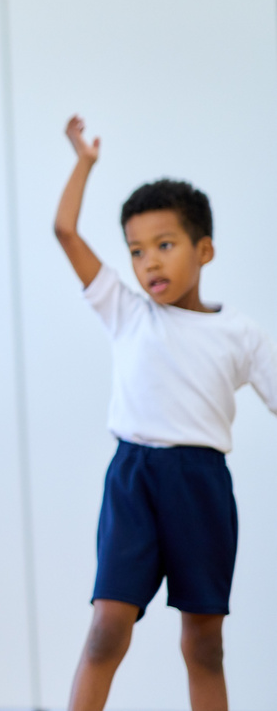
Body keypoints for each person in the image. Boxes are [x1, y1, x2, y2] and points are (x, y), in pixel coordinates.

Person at [54, 116, 277, 711]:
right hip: (134, 480)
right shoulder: (129, 313)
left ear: (204, 249)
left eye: (165, 245)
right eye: (135, 251)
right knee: (106, 628)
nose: (148, 262)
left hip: (201, 486)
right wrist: (84, 163)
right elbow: (65, 230)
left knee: (204, 642)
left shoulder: (242, 333)